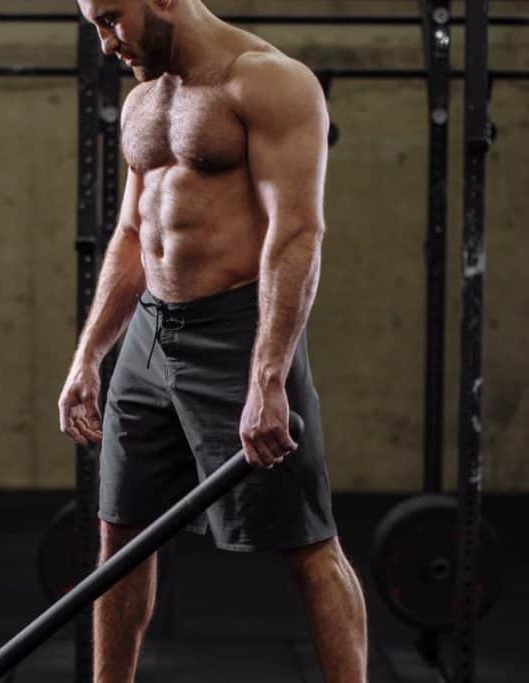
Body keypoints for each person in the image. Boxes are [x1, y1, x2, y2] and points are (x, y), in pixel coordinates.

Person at [59, 1, 368, 681]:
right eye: (95, 26)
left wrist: (268, 376)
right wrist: (90, 355)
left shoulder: (269, 83)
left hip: (236, 334)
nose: (106, 42)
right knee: (122, 534)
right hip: (148, 334)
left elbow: (297, 234)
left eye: (112, 18)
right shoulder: (144, 100)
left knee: (310, 544)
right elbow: (134, 236)